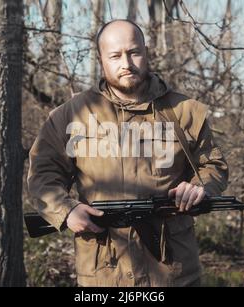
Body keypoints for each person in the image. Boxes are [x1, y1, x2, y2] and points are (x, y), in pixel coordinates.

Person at [27, 19, 228, 287]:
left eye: (134, 52)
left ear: (146, 52)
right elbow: (43, 174)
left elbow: (212, 164)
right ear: (101, 59)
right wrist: (66, 210)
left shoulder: (185, 111)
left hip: (173, 271)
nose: (127, 63)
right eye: (115, 55)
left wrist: (199, 187)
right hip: (104, 271)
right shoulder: (71, 115)